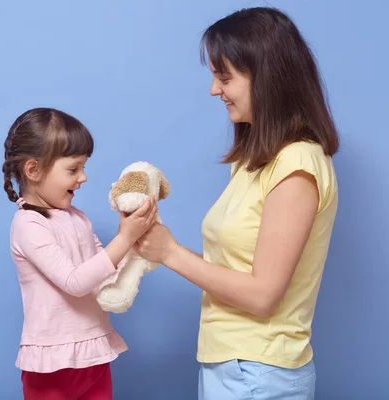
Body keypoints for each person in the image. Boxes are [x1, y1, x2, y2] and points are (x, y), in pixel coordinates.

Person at [134, 7, 340, 399]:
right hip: (232, 365)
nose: (214, 90)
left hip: (259, 372)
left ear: (267, 79)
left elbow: (263, 296)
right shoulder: (254, 162)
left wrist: (171, 253)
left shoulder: (297, 164)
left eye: (224, 77)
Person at [2, 107, 158, 400]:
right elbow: (74, 282)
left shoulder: (77, 217)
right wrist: (124, 238)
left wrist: (136, 245)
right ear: (33, 170)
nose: (83, 177)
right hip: (51, 366)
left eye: (83, 168)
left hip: (93, 354)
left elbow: (104, 270)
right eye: (73, 169)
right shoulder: (29, 224)